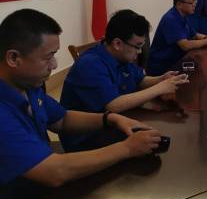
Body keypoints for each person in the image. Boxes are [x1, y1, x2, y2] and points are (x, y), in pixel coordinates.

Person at [0, 9, 163, 199]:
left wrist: (110, 119)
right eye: (48, 57)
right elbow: (54, 172)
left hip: (33, 198)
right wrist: (128, 148)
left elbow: (62, 119)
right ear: (13, 58)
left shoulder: (24, 83)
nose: (54, 65)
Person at [60, 9, 189, 152]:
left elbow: (140, 80)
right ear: (117, 43)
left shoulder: (120, 56)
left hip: (118, 121)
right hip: (87, 138)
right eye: (137, 46)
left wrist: (161, 79)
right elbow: (113, 105)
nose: (140, 52)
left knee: (166, 131)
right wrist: (160, 88)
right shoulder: (90, 64)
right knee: (160, 140)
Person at [147, 0, 207, 75]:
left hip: (176, 62)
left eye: (195, 1)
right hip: (162, 68)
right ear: (179, 4)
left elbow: (194, 34)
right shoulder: (171, 19)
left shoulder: (183, 16)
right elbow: (185, 45)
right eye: (191, 3)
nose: (194, 5)